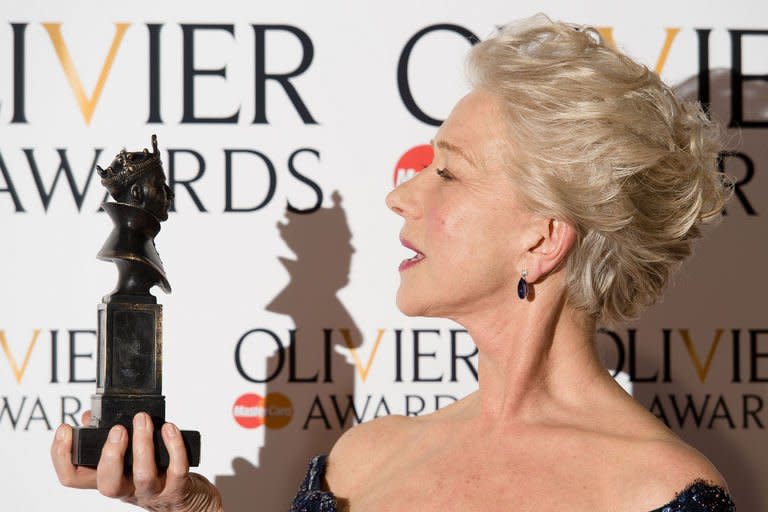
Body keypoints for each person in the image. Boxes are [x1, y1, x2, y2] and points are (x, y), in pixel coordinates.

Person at [51, 14, 736, 512]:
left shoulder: (654, 491)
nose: (399, 194)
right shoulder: (361, 458)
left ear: (542, 238)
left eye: (448, 173)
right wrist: (190, 508)